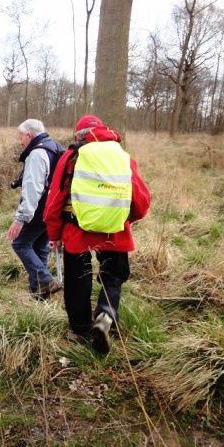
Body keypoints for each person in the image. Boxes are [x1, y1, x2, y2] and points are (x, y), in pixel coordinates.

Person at [43, 115, 151, 354]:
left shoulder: (71, 157)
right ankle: (105, 316)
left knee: (77, 279)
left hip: (76, 231)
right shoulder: (123, 158)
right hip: (115, 231)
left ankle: (79, 331)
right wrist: (124, 219)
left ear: (78, 136)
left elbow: (54, 199)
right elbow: (142, 201)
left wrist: (54, 233)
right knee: (113, 276)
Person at [6, 119, 64, 300]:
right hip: (54, 209)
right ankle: (39, 293)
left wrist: (21, 218)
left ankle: (45, 280)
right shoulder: (54, 147)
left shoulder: (37, 153)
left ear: (29, 135)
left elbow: (33, 188)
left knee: (20, 243)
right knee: (40, 247)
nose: (20, 141)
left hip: (39, 210)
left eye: (21, 137)